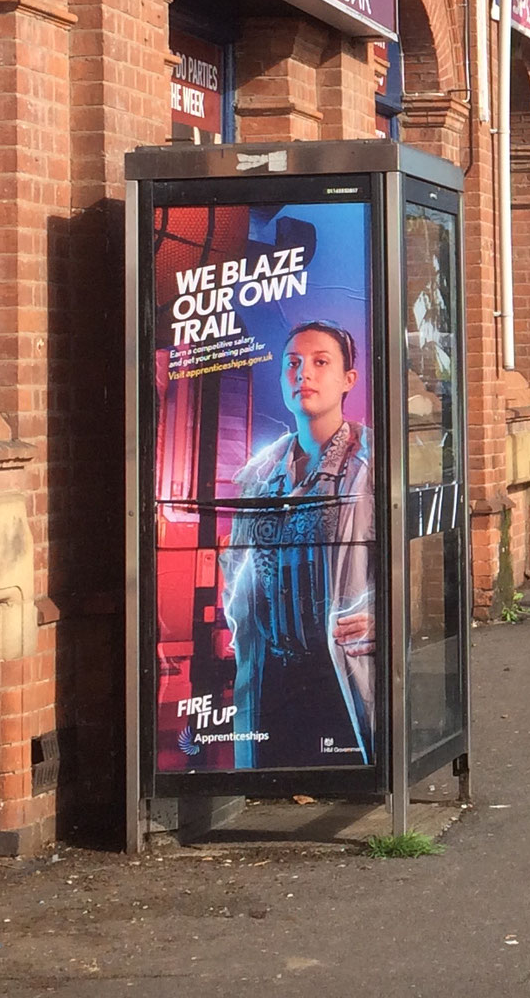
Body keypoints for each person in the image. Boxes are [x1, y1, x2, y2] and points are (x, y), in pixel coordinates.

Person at [221, 321, 376, 771]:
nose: (303, 373)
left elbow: (419, 553)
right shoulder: (259, 474)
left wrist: (388, 612)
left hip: (341, 671)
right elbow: (240, 581)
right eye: (293, 363)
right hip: (274, 677)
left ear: (349, 379)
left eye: (320, 362)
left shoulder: (372, 461)